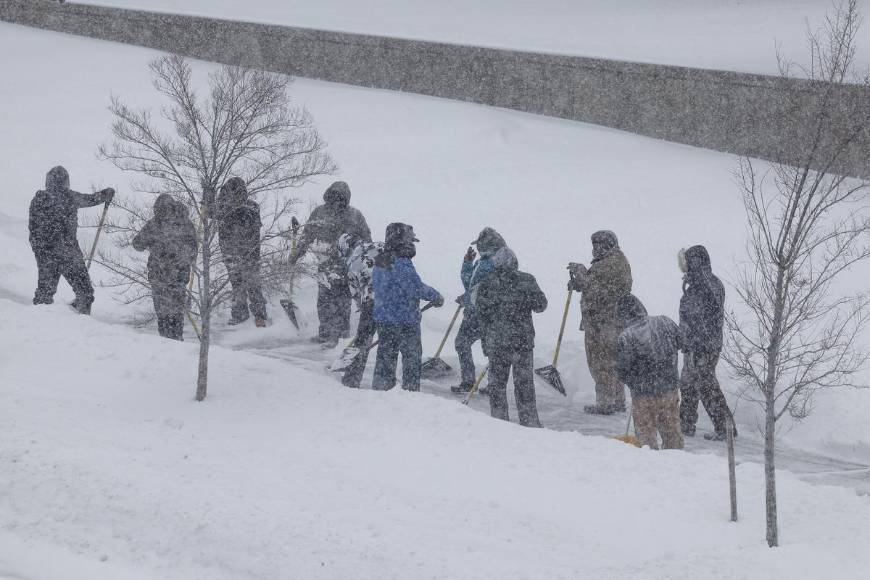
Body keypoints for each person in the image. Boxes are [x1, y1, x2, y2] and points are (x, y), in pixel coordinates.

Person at [290, 181, 371, 345]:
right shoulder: (319, 212)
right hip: (325, 264)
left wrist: (362, 258)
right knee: (325, 300)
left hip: (346, 265)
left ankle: (340, 336)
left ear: (346, 198)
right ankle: (325, 333)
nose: (337, 201)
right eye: (334, 196)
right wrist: (297, 253)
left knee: (342, 300)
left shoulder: (355, 215)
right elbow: (308, 234)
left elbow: (366, 240)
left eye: (341, 197)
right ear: (329, 195)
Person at [29, 166, 115, 314]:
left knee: (45, 291)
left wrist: (40, 251)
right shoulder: (69, 196)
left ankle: (39, 320)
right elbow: (90, 199)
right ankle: (82, 318)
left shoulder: (39, 199)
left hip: (46, 253)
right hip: (68, 252)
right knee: (85, 291)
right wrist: (104, 194)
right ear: (65, 181)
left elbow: (33, 229)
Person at [476, 254, 547, 427]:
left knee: (497, 386)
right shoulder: (527, 280)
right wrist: (523, 300)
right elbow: (541, 305)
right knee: (525, 386)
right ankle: (530, 422)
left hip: (498, 344)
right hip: (522, 343)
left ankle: (499, 422)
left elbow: (481, 314)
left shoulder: (487, 282)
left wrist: (486, 342)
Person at [372, 223, 443, 391]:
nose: (412, 244)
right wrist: (435, 295)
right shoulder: (401, 262)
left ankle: (381, 392)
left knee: (385, 359)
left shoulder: (381, 260)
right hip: (404, 320)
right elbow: (414, 287)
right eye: (410, 240)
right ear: (401, 241)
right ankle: (410, 395)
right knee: (411, 359)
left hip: (384, 319)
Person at [568, 230, 633, 415]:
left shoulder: (611, 263)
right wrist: (578, 283)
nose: (594, 250)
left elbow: (596, 289)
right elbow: (597, 285)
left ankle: (606, 402)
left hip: (604, 323)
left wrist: (580, 272)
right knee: (612, 362)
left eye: (597, 245)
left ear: (606, 245)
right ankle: (617, 400)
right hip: (607, 321)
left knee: (600, 362)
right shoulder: (613, 261)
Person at [678, 245, 735, 441]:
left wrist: (697, 338)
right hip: (692, 343)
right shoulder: (694, 285)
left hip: (705, 344)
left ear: (695, 262)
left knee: (705, 384)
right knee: (687, 383)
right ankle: (685, 424)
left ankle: (724, 427)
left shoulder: (709, 284)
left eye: (688, 262)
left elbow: (704, 315)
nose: (684, 266)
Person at [451, 227, 518, 394]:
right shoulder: (484, 261)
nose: (478, 248)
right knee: (481, 347)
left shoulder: (493, 261)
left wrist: (470, 296)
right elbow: (472, 286)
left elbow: (483, 288)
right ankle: (485, 383)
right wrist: (467, 264)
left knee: (479, 346)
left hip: (485, 313)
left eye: (480, 244)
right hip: (480, 313)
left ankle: (477, 382)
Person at [615, 294, 684, 450]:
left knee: (646, 439)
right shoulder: (664, 322)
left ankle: (649, 467)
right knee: (672, 432)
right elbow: (682, 342)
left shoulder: (626, 337)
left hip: (643, 395)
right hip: (669, 390)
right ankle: (676, 464)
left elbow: (622, 370)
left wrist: (634, 381)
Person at [132, 194, 198, 340]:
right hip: (172, 275)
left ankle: (169, 342)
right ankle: (172, 341)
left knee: (166, 313)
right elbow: (194, 248)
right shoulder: (184, 223)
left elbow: (137, 244)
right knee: (173, 312)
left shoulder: (156, 224)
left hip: (164, 275)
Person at [217, 177, 267, 327]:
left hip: (249, 254)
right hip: (230, 253)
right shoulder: (224, 207)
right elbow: (211, 212)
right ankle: (240, 314)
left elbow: (239, 215)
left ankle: (260, 316)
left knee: (253, 285)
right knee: (237, 285)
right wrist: (208, 195)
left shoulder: (251, 207)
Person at [335, 233, 384, 388]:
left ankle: (352, 379)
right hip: (391, 301)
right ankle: (383, 382)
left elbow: (355, 293)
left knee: (362, 341)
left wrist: (363, 307)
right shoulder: (377, 246)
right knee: (388, 343)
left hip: (371, 303)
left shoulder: (351, 263)